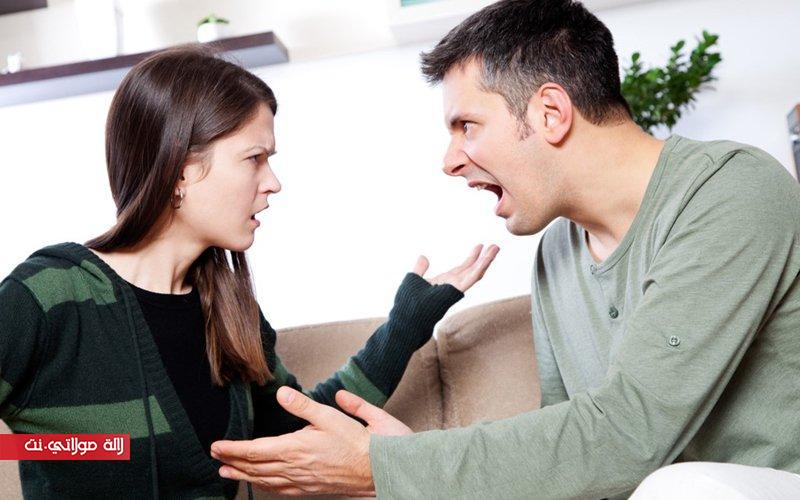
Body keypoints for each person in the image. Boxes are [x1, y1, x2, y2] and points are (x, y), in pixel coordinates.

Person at [208, 0, 800, 498]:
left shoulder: (732, 192)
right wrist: (419, 471)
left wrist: (391, 466)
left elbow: (626, 434)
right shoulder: (557, 250)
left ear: (550, 113)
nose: (449, 161)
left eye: (466, 126)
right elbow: (572, 454)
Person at [0, 45, 499, 499]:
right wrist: (61, 448)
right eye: (254, 158)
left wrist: (406, 325)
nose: (273, 183)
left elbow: (301, 431)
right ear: (179, 169)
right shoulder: (48, 297)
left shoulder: (228, 312)